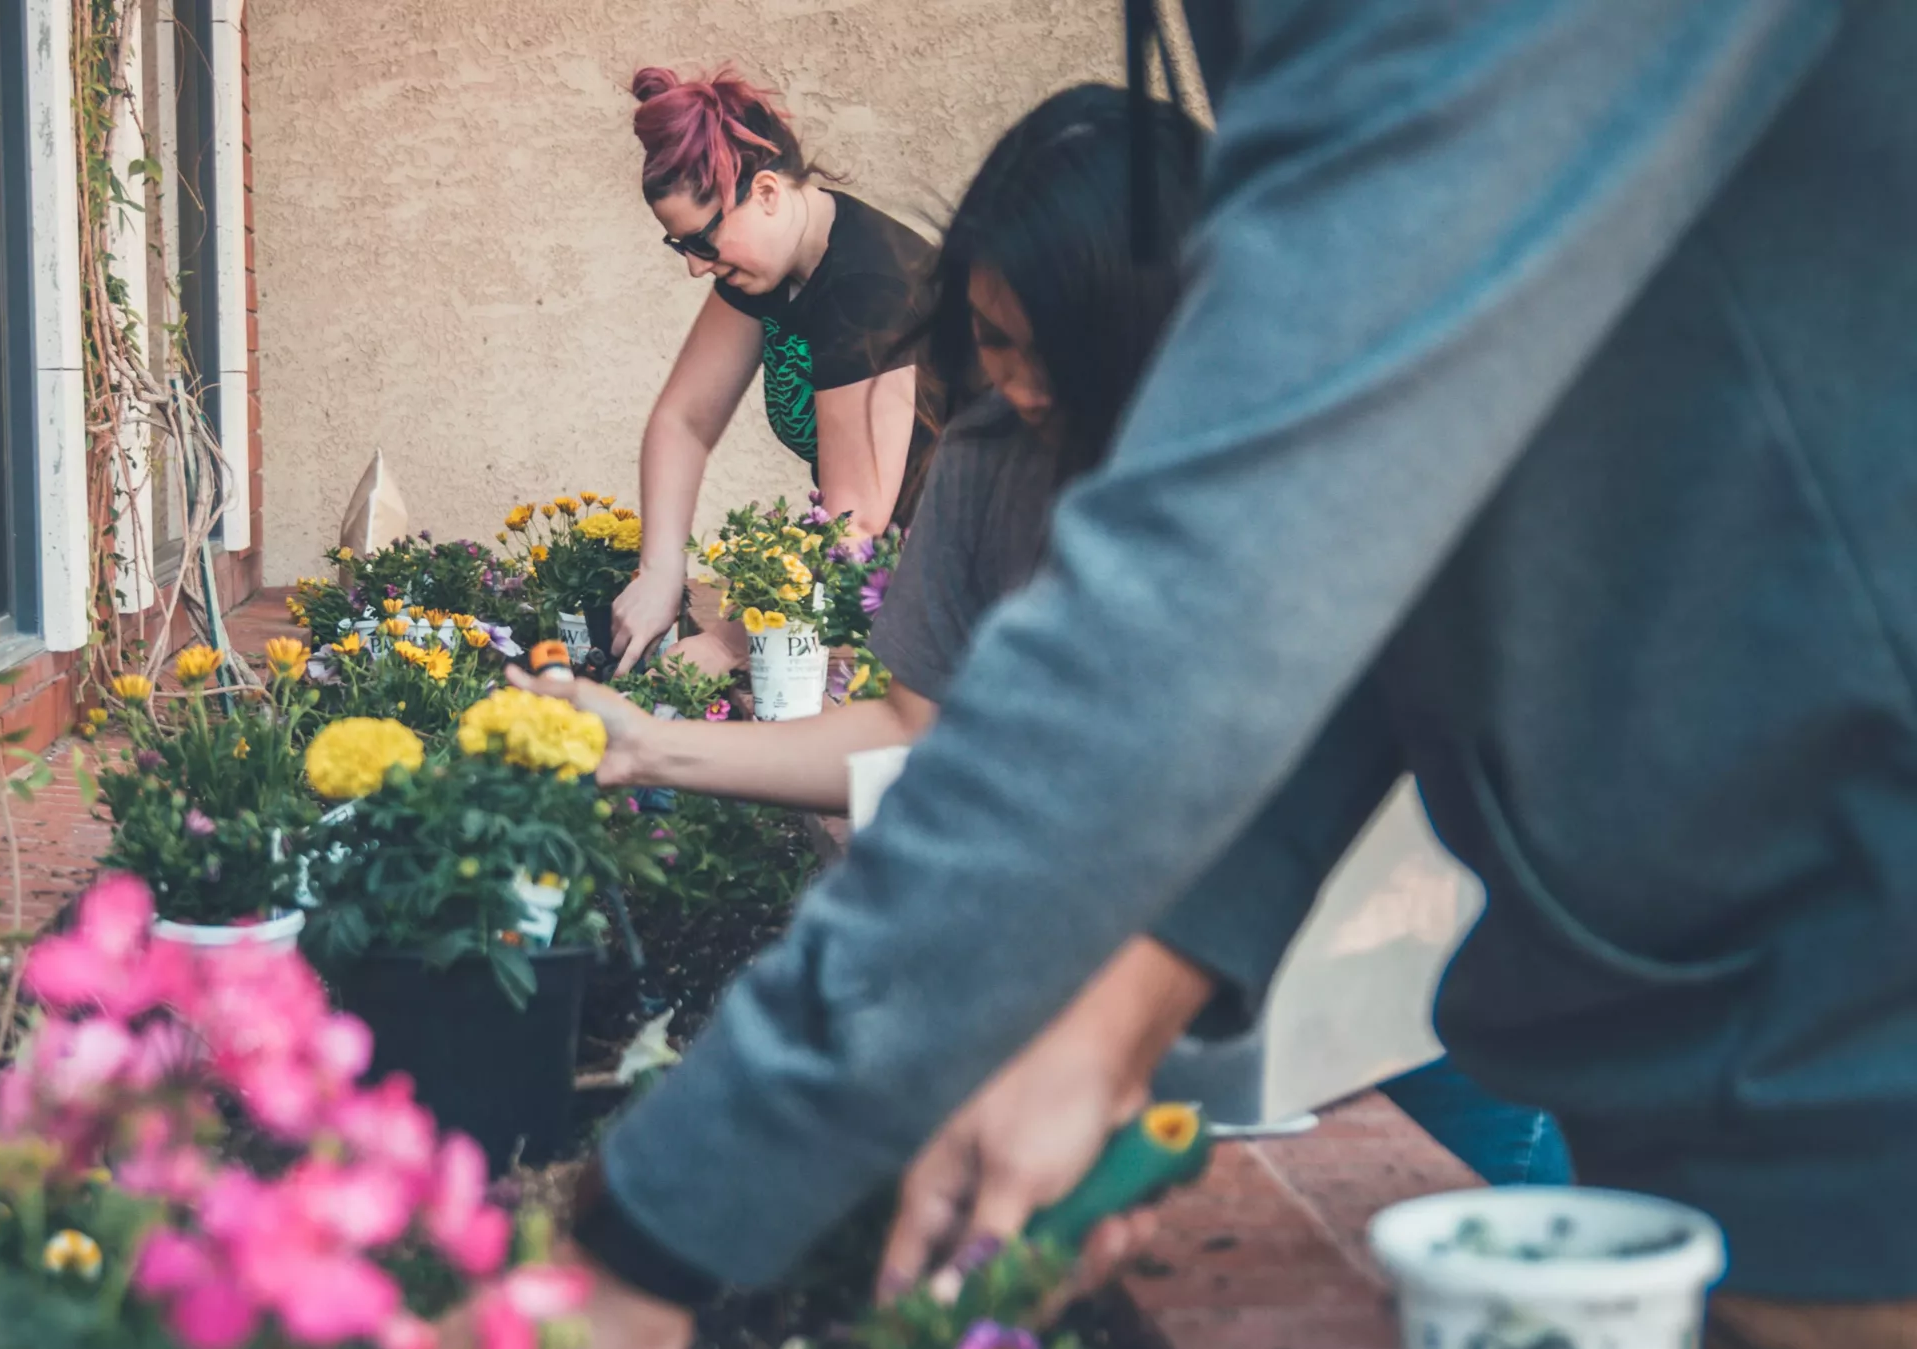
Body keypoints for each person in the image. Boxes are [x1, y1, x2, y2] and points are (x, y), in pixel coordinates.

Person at [425, 0, 1917, 1349]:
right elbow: (1348, 582)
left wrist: (656, 1230)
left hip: (1849, 1077)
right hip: (1711, 1076)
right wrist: (1117, 1008)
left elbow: (1231, 579)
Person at [538, 83, 1571, 1191]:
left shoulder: (1308, 456)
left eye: (1050, 353)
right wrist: (649, 745)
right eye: (988, 342)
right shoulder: (988, 457)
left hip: (1422, 979)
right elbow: (911, 730)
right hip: (1183, 997)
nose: (1015, 387)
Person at [608, 66, 941, 676]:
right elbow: (684, 420)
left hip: (986, 576)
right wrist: (660, 572)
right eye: (680, 246)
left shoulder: (866, 292)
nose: (695, 268)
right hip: (902, 581)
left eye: (703, 241)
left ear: (764, 192)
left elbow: (855, 529)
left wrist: (726, 643)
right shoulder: (772, 266)